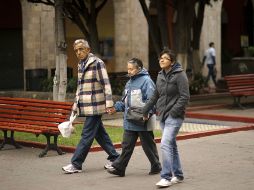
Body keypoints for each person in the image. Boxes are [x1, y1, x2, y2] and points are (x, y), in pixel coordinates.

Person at [62, 39, 119, 174]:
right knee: (100, 134)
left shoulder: (98, 63)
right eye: (76, 50)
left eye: (81, 49)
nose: (78, 52)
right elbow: (80, 88)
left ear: (88, 49)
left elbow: (106, 85)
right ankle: (116, 158)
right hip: (86, 105)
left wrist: (109, 104)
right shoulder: (80, 64)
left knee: (86, 134)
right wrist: (75, 106)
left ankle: (76, 164)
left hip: (96, 106)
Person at [106, 58, 161, 177]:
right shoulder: (129, 82)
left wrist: (148, 113)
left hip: (143, 120)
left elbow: (152, 101)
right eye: (128, 69)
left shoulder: (147, 81)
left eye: (131, 69)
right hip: (130, 120)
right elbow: (125, 101)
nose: (129, 71)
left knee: (148, 146)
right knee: (126, 145)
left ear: (139, 69)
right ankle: (120, 168)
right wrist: (115, 108)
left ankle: (156, 165)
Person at [143, 48, 190, 188]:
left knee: (165, 143)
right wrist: (145, 109)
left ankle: (166, 177)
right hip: (162, 115)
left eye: (165, 58)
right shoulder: (160, 75)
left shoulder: (180, 75)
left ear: (172, 61)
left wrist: (174, 112)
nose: (161, 60)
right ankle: (179, 174)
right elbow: (156, 95)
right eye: (160, 58)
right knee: (171, 145)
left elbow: (185, 96)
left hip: (174, 117)